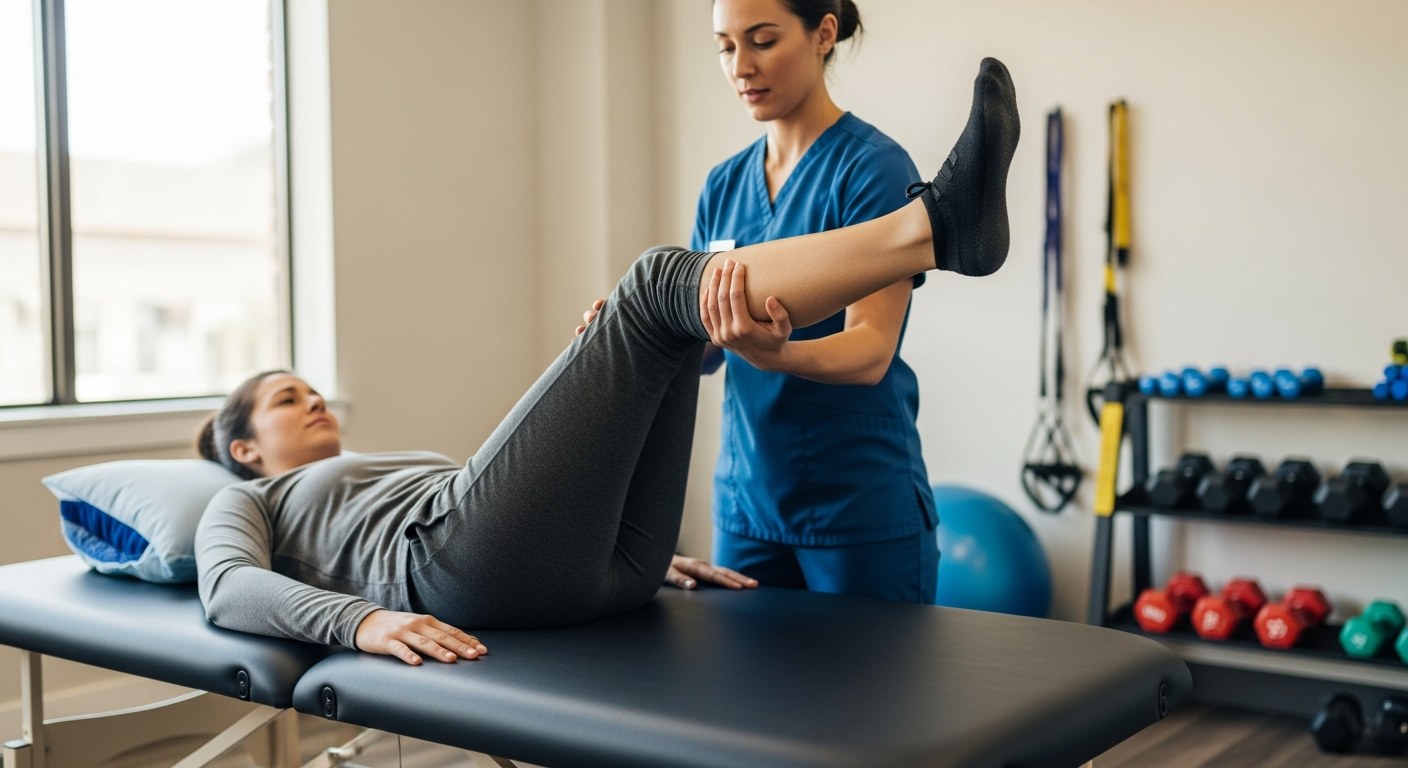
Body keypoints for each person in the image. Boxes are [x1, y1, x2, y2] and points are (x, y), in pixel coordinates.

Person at [195, 56, 1019, 667]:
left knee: (671, 320)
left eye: (309, 389)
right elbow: (228, 587)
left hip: (610, 568)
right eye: (284, 400)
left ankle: (927, 231)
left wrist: (649, 553)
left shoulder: (380, 466)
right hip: (437, 571)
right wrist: (360, 624)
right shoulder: (248, 503)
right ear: (243, 450)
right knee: (660, 280)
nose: (312, 402)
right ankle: (935, 229)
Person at [699, 0, 939, 604]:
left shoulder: (873, 170)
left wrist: (781, 356)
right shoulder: (723, 185)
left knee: (872, 700)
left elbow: (871, 350)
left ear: (822, 34)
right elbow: (706, 348)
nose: (741, 67)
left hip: (856, 505)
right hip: (747, 504)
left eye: (761, 40)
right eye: (726, 47)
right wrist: (633, 334)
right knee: (745, 700)